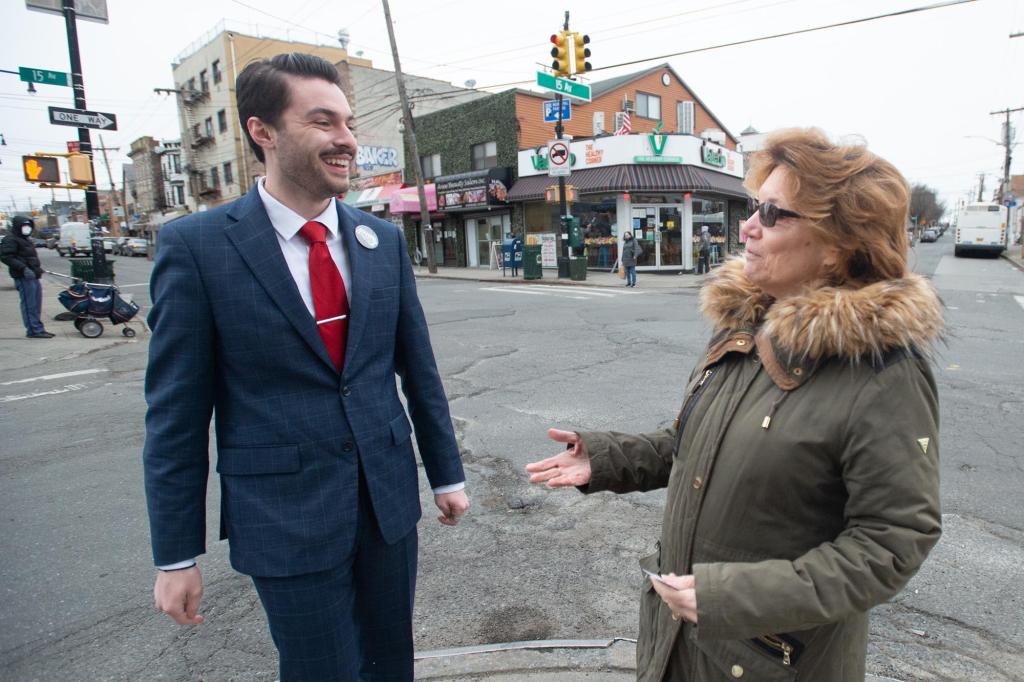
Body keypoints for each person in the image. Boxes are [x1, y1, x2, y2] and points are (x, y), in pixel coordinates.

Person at [526, 128, 942, 681]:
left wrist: (731, 597)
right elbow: (692, 441)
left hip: (771, 659)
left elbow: (893, 543)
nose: (747, 226)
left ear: (839, 243)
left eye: (773, 214)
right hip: (678, 642)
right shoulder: (746, 326)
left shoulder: (883, 373)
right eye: (753, 206)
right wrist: (603, 457)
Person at [144, 53, 469, 682]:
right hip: (283, 517)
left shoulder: (382, 242)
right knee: (322, 671)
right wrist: (176, 554)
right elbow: (176, 415)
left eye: (347, 122)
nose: (347, 139)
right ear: (262, 131)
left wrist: (446, 475)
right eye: (323, 122)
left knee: (389, 664)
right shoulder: (199, 247)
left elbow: (417, 370)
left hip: (387, 506)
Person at [1, 216, 54, 339]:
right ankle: (34, 330)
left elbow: (29, 258)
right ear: (18, 227)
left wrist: (36, 269)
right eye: (24, 226)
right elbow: (6, 257)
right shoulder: (11, 239)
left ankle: (37, 327)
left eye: (29, 226)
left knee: (36, 303)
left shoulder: (25, 240)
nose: (27, 228)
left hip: (32, 275)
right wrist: (23, 268)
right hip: (23, 276)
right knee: (29, 304)